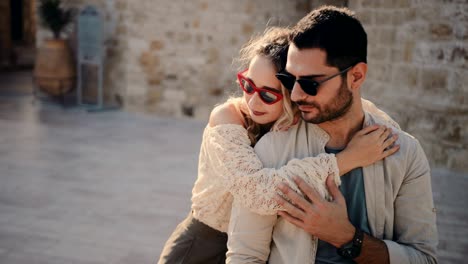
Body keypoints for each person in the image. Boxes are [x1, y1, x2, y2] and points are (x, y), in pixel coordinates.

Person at [158, 26, 399, 264]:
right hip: (202, 246)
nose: (253, 100)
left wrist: (389, 132)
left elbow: (356, 107)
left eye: (268, 94)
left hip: (257, 250)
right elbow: (257, 194)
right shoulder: (228, 117)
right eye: (248, 85)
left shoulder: (296, 119)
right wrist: (348, 159)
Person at [226, 5, 438, 264]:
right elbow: (245, 257)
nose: (295, 95)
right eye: (290, 80)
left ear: (356, 76)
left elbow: (424, 259)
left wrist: (347, 238)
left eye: (310, 83)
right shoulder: (272, 149)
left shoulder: (404, 154)